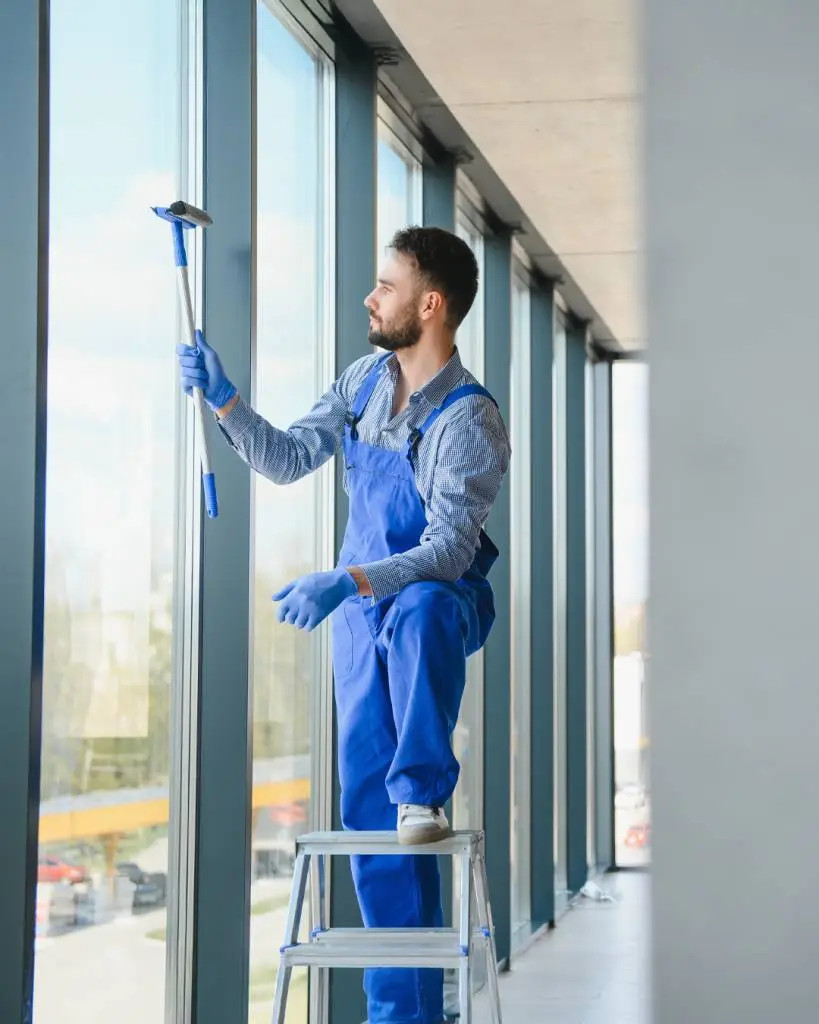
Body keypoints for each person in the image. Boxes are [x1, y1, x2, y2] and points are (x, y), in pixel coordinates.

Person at [177, 225, 511, 1024]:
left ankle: (424, 791)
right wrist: (225, 399)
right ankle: (400, 1015)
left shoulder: (468, 419)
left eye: (386, 286)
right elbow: (290, 458)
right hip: (360, 622)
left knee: (426, 608)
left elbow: (445, 552)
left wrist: (347, 578)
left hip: (437, 605)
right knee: (368, 815)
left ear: (431, 305)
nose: (370, 297)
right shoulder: (364, 381)